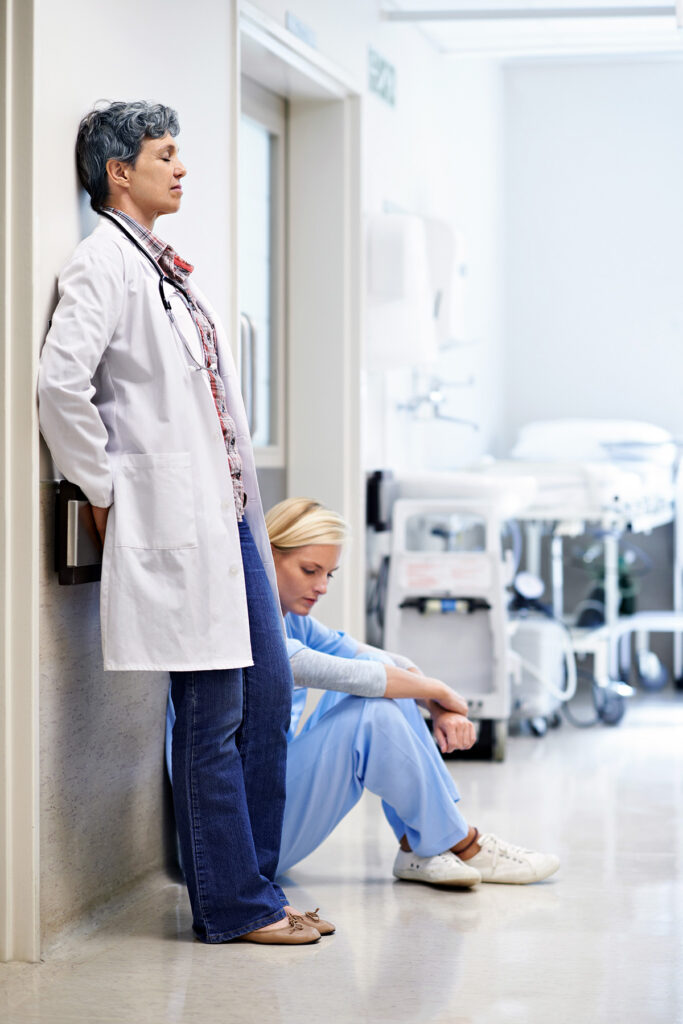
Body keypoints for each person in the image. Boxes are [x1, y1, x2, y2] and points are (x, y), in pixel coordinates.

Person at [38, 102, 326, 945]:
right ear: (118, 171)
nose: (182, 167)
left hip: (227, 514)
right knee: (214, 715)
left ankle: (257, 889)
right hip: (176, 521)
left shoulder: (160, 266)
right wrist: (103, 490)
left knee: (268, 699)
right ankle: (234, 909)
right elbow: (62, 386)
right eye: (166, 154)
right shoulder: (102, 266)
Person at [267, 497, 560, 887]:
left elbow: (388, 664)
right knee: (373, 708)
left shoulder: (290, 619)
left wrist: (437, 705)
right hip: (242, 842)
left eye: (329, 574)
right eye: (309, 570)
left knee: (388, 691)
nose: (321, 587)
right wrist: (437, 691)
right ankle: (462, 841)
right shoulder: (248, 628)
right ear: (268, 554)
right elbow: (352, 675)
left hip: (272, 807)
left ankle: (419, 847)